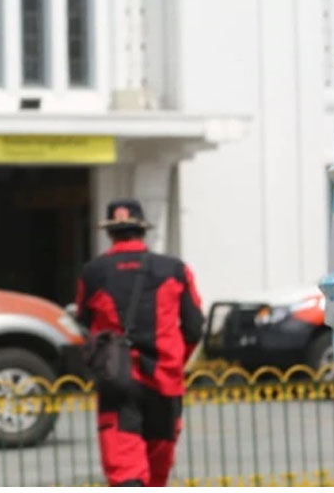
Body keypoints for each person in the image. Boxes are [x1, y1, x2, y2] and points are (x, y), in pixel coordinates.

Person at [75, 199, 204, 487]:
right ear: (142, 230)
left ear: (110, 232)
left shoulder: (94, 272)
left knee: (126, 472)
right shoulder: (175, 269)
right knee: (157, 475)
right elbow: (195, 327)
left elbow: (84, 322)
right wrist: (173, 360)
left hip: (117, 380)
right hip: (165, 382)